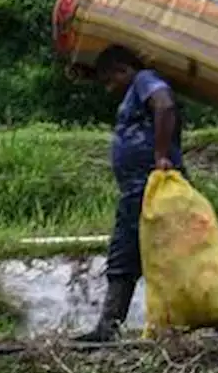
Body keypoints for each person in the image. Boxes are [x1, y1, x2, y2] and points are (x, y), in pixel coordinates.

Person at [78, 45, 184, 342]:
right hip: (139, 187)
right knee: (140, 251)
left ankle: (109, 325)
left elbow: (164, 104)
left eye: (110, 80)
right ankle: (116, 324)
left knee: (126, 249)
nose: (109, 89)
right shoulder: (134, 88)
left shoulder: (145, 80)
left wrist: (161, 155)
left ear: (124, 70)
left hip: (148, 186)